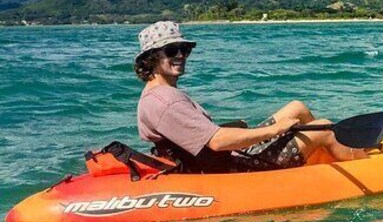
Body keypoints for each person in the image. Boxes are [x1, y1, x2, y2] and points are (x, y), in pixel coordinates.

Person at [134, 21, 367, 173]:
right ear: (151, 57)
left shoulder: (157, 94)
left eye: (184, 50)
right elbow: (217, 141)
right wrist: (275, 131)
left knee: (297, 107)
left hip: (229, 156)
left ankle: (327, 155)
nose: (181, 56)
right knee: (324, 127)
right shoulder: (165, 102)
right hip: (236, 167)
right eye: (172, 51)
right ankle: (368, 167)